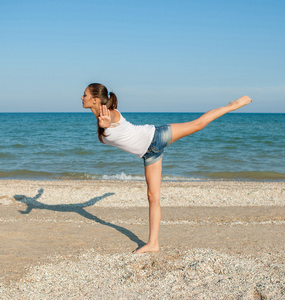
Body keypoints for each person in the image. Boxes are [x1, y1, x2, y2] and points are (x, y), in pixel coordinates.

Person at [81, 83, 252, 254]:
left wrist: (105, 124)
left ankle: (232, 106)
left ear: (95, 100)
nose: (82, 98)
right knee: (152, 196)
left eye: (85, 95)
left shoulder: (111, 114)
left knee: (198, 124)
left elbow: (110, 119)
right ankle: (153, 243)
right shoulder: (100, 119)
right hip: (149, 155)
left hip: (156, 136)